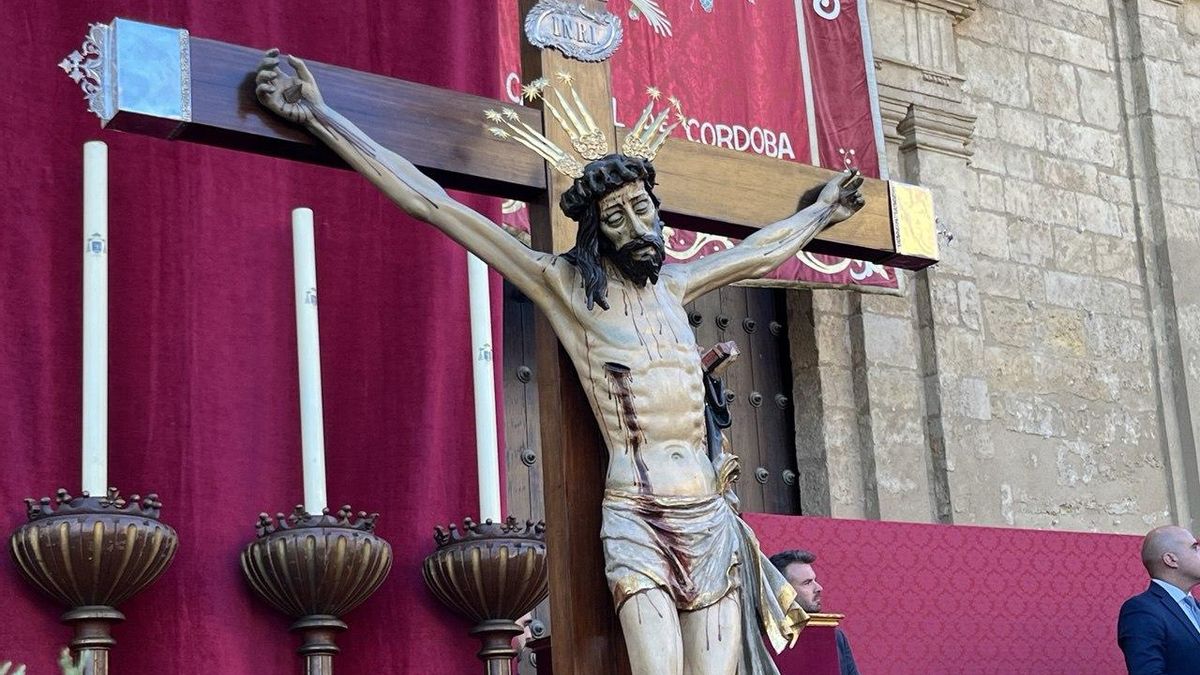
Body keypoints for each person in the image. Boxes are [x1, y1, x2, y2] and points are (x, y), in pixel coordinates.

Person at [256, 50, 864, 675]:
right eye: (616, 216)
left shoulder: (679, 285)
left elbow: (762, 253)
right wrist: (321, 116)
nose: (635, 225)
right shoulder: (566, 290)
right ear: (597, 231)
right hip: (640, 517)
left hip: (709, 519)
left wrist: (821, 212)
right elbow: (434, 204)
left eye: (642, 208)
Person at [1117, 525, 1200, 674]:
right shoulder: (1141, 610)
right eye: (1195, 548)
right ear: (1171, 559)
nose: (1199, 551)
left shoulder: (1196, 607)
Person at [769, 549, 861, 675]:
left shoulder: (835, 637)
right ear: (783, 591)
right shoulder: (761, 636)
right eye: (807, 583)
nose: (818, 588)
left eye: (814, 580)